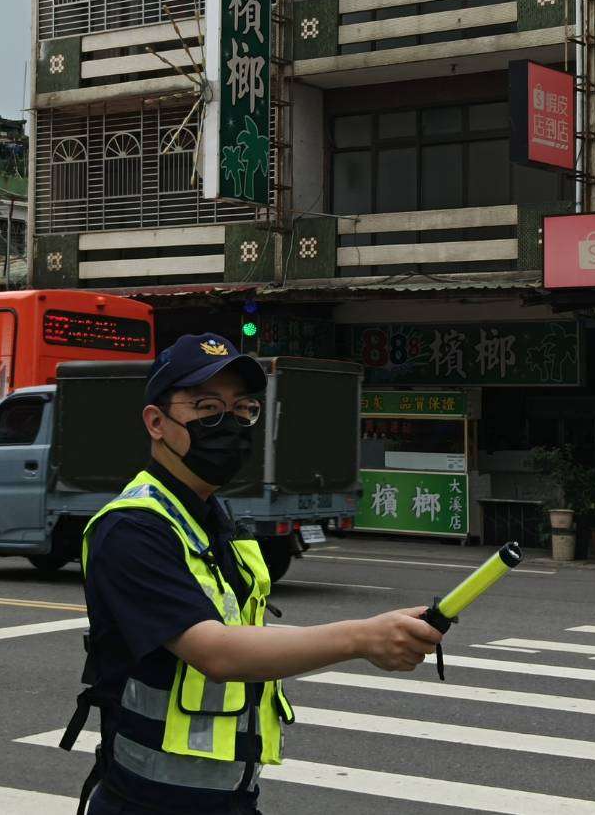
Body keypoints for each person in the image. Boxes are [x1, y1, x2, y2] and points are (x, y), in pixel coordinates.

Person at [63, 333, 444, 814]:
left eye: (243, 410)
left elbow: (243, 636)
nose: (231, 424)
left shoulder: (211, 518)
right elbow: (216, 652)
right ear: (156, 422)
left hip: (230, 800)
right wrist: (361, 638)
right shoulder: (132, 528)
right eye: (207, 407)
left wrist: (383, 630)